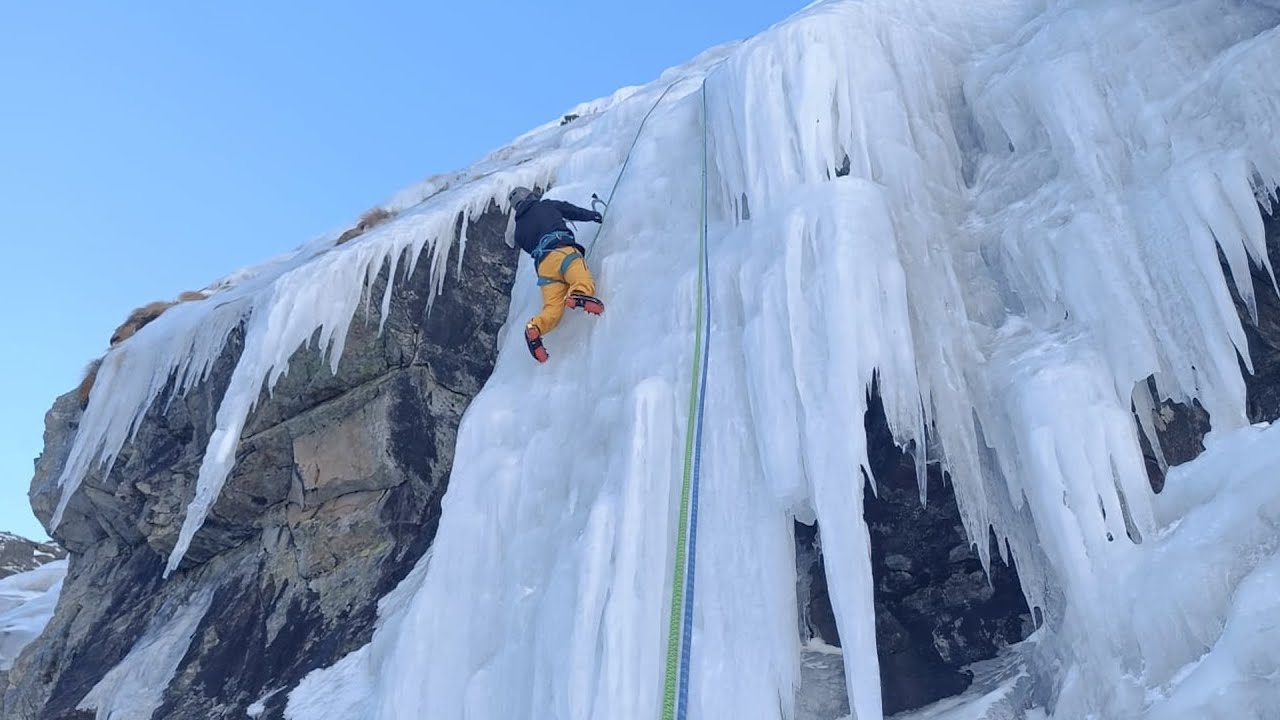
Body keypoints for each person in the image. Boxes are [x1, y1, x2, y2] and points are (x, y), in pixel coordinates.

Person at [506, 186, 606, 363]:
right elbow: (571, 210)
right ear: (530, 196)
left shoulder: (519, 232)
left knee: (553, 308)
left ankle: (535, 327)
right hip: (562, 251)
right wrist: (592, 215)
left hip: (544, 269)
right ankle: (579, 294)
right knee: (581, 277)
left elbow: (528, 246)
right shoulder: (546, 206)